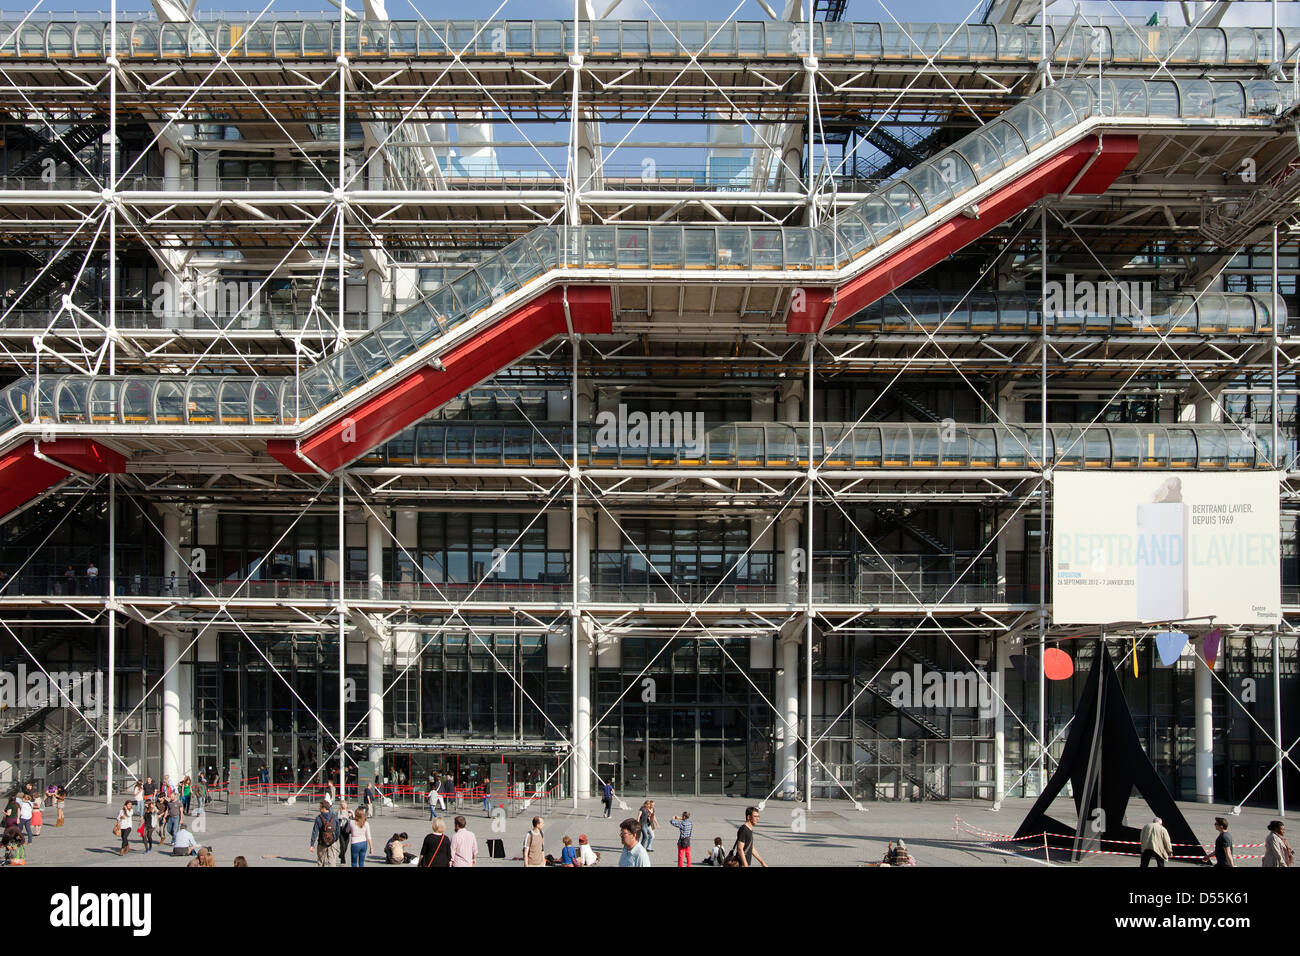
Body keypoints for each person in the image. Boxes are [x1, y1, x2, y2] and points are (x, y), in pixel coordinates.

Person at [309, 799, 340, 867]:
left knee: (321, 861)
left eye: (320, 807)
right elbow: (338, 829)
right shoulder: (334, 816)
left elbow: (315, 832)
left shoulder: (318, 818)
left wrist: (312, 844)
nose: (319, 808)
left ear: (324, 808)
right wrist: (335, 839)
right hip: (332, 841)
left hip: (322, 842)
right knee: (332, 861)